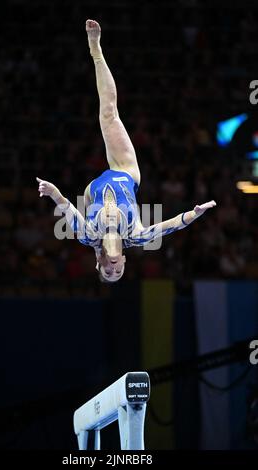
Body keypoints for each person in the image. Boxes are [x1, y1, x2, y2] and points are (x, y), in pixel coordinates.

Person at [36, 19, 216, 282]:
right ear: (124, 260)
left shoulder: (88, 236)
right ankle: (96, 50)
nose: (113, 269)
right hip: (125, 172)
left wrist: (52, 191)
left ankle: (94, 51)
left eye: (108, 271)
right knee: (109, 114)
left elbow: (65, 207)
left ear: (99, 262)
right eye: (118, 271)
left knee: (102, 126)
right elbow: (171, 226)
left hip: (93, 192)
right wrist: (195, 213)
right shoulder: (137, 234)